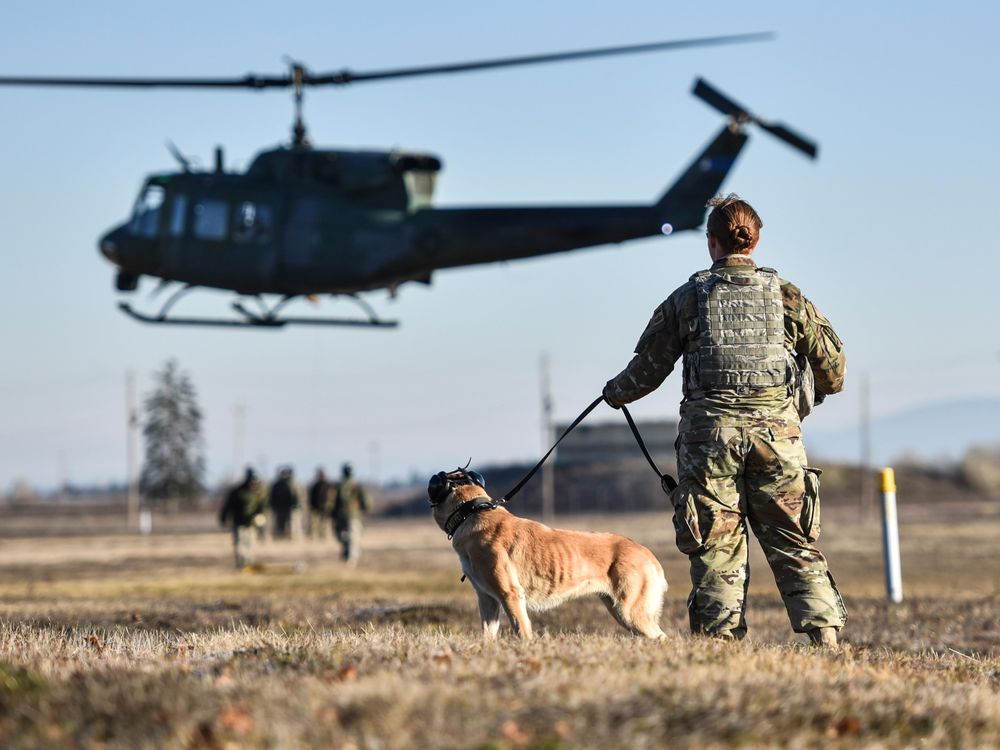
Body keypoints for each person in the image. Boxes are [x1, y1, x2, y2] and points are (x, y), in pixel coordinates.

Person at [603, 194, 847, 646]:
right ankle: (826, 641)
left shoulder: (688, 299)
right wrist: (797, 397)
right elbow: (834, 369)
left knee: (715, 546)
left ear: (711, 242)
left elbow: (647, 371)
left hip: (709, 442)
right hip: (778, 439)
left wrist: (614, 393)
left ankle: (719, 646)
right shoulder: (788, 296)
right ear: (754, 242)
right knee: (793, 540)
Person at [219, 467, 267, 570]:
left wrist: (260, 519)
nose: (253, 485)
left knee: (250, 546)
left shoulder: (258, 493)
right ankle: (241, 566)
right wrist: (223, 518)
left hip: (251, 524)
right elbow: (228, 506)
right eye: (252, 483)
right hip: (239, 523)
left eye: (255, 483)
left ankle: (249, 565)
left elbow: (261, 507)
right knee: (240, 546)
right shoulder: (237, 492)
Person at [332, 463, 371, 566]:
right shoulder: (341, 485)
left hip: (349, 514)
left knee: (350, 536)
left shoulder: (353, 485)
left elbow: (364, 500)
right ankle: (349, 554)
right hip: (346, 515)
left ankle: (351, 558)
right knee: (350, 537)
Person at [269, 466, 300, 539]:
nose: (284, 475)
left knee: (291, 524)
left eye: (286, 473)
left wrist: (296, 506)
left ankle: (291, 537)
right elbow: (272, 497)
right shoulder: (277, 485)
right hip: (280, 508)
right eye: (283, 473)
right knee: (279, 523)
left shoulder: (293, 484)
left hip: (290, 508)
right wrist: (273, 506)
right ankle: (280, 537)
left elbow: (297, 496)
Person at [307, 467, 334, 540]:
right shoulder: (315, 485)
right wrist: (311, 506)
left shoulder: (329, 485)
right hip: (316, 508)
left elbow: (332, 497)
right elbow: (311, 497)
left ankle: (325, 537)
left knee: (326, 524)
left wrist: (330, 507)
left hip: (326, 508)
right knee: (315, 524)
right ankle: (315, 537)